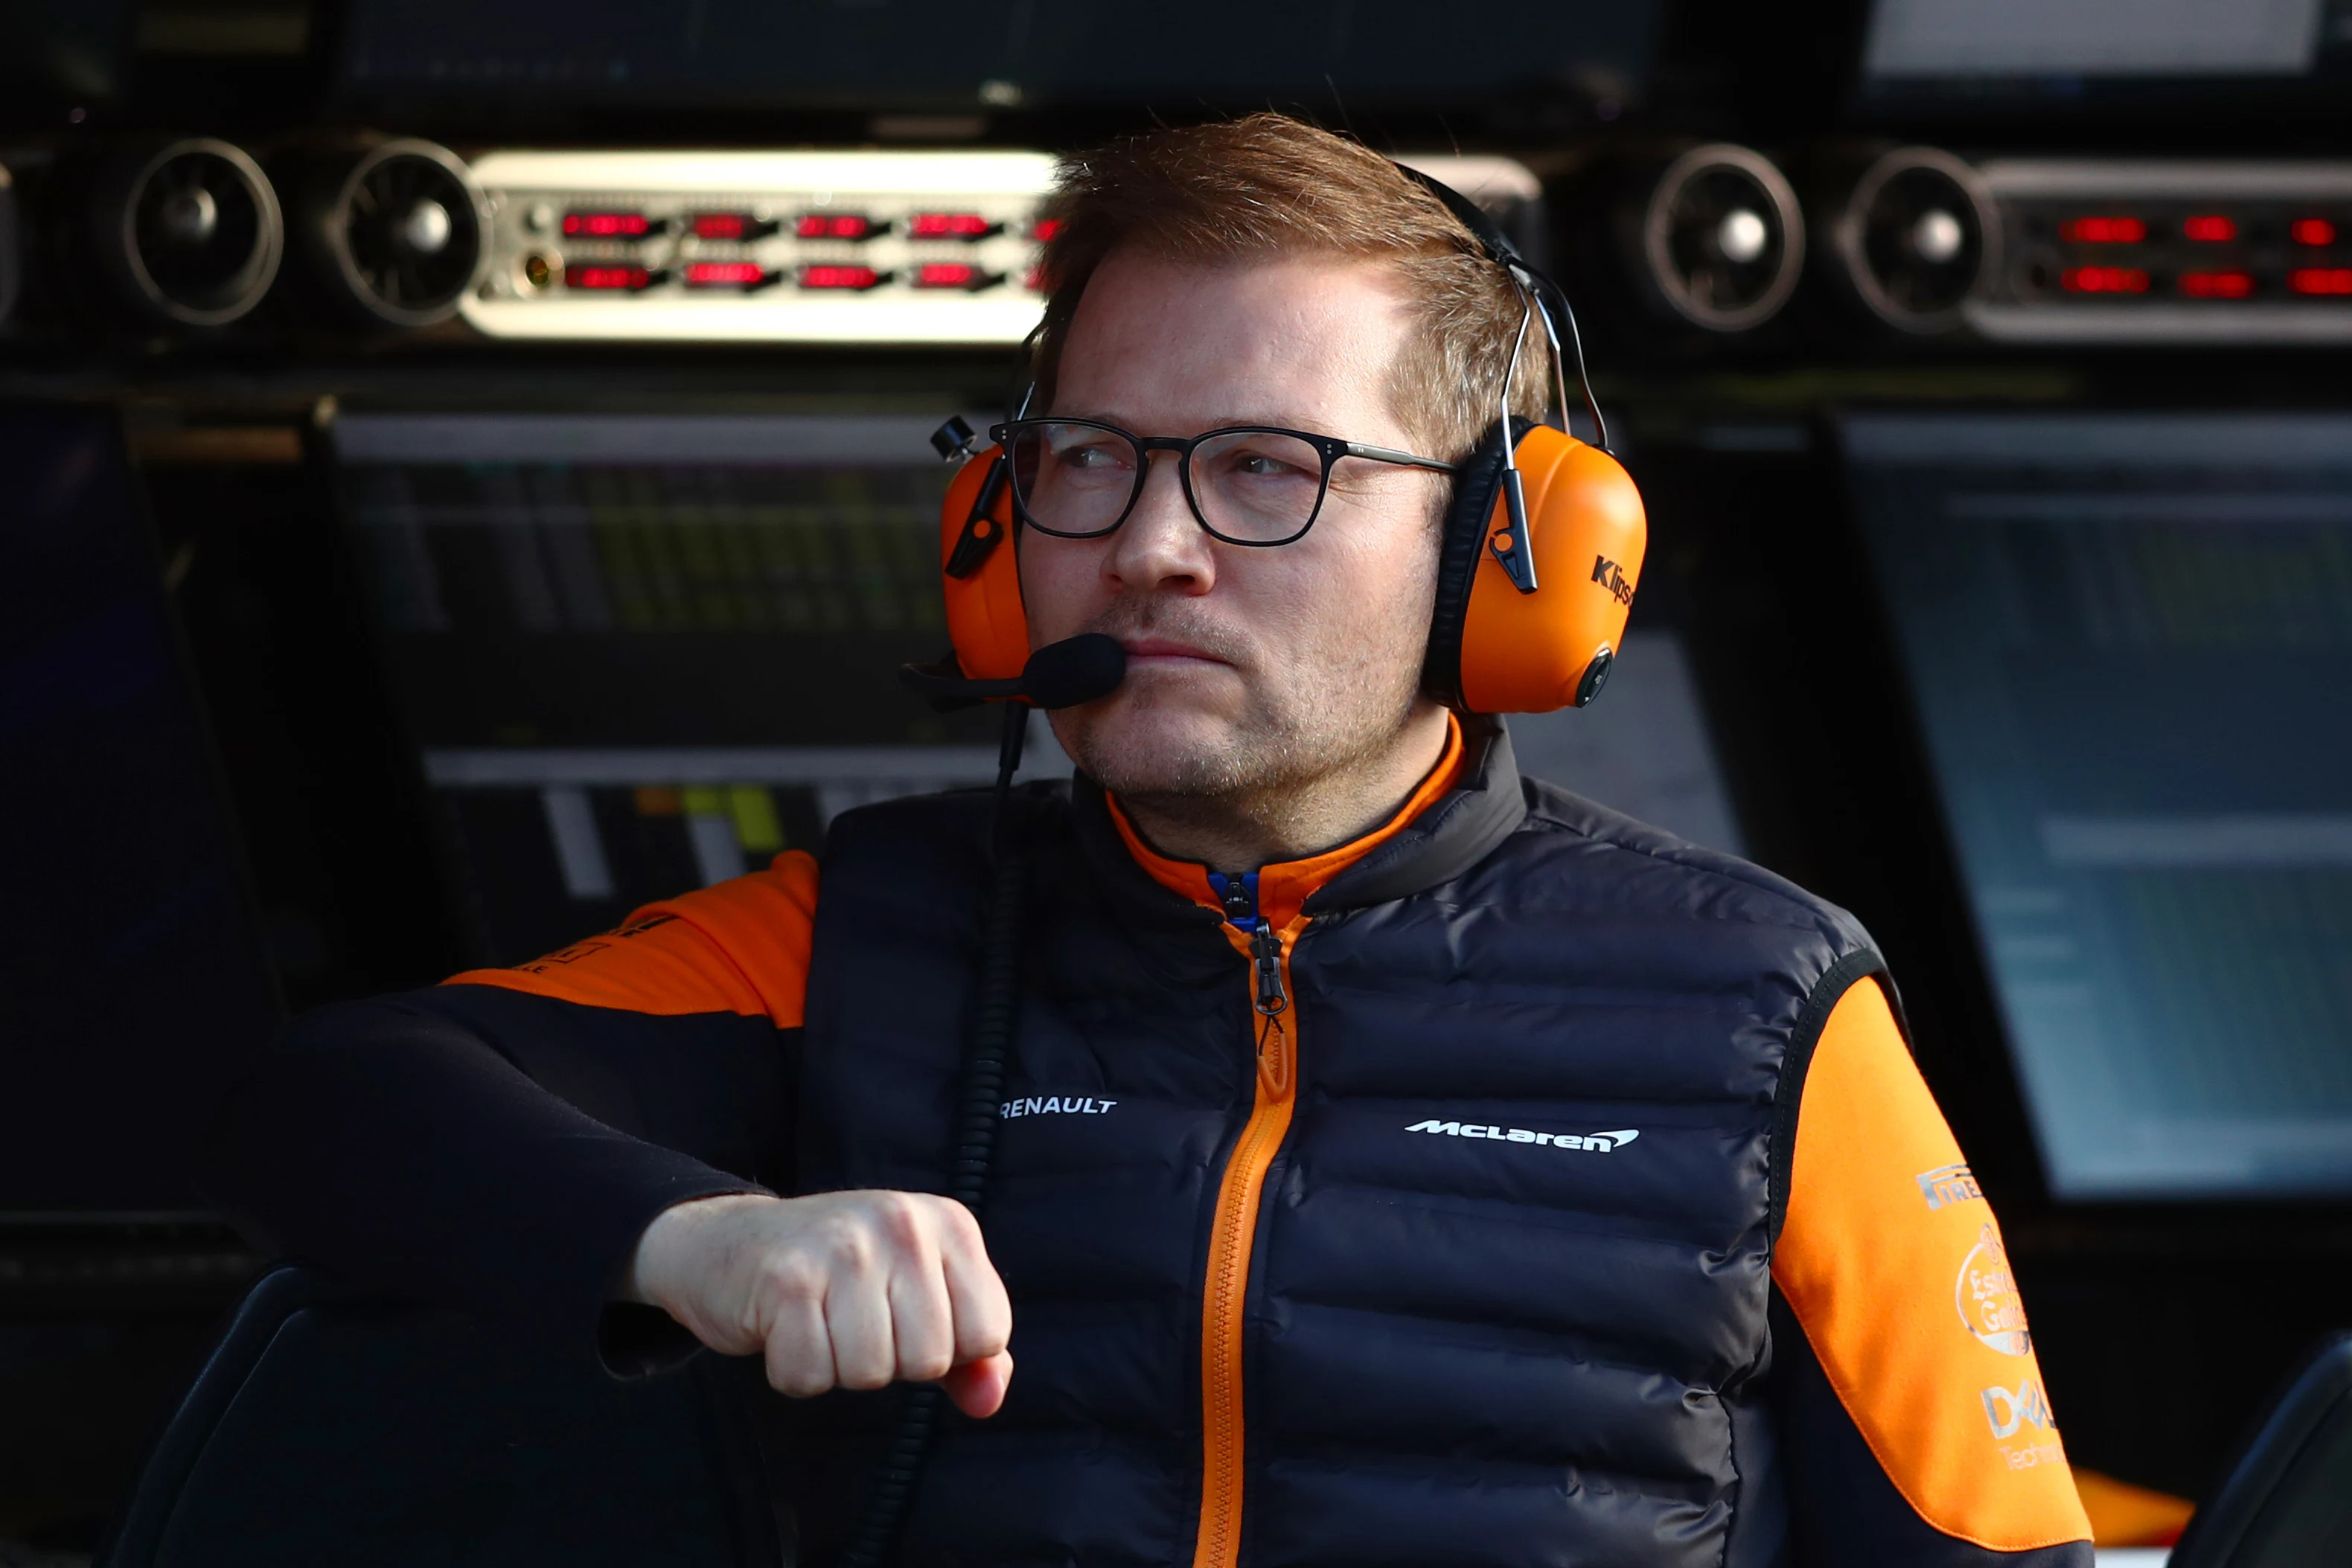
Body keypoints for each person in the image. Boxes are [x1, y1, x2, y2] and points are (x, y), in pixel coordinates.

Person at [208, 115, 2095, 1567]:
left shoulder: (1760, 1007)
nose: (1150, 544)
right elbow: (339, 1102)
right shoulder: (869, 939)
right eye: (1089, 457)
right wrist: (698, 1240)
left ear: (1503, 556)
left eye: (1267, 467)